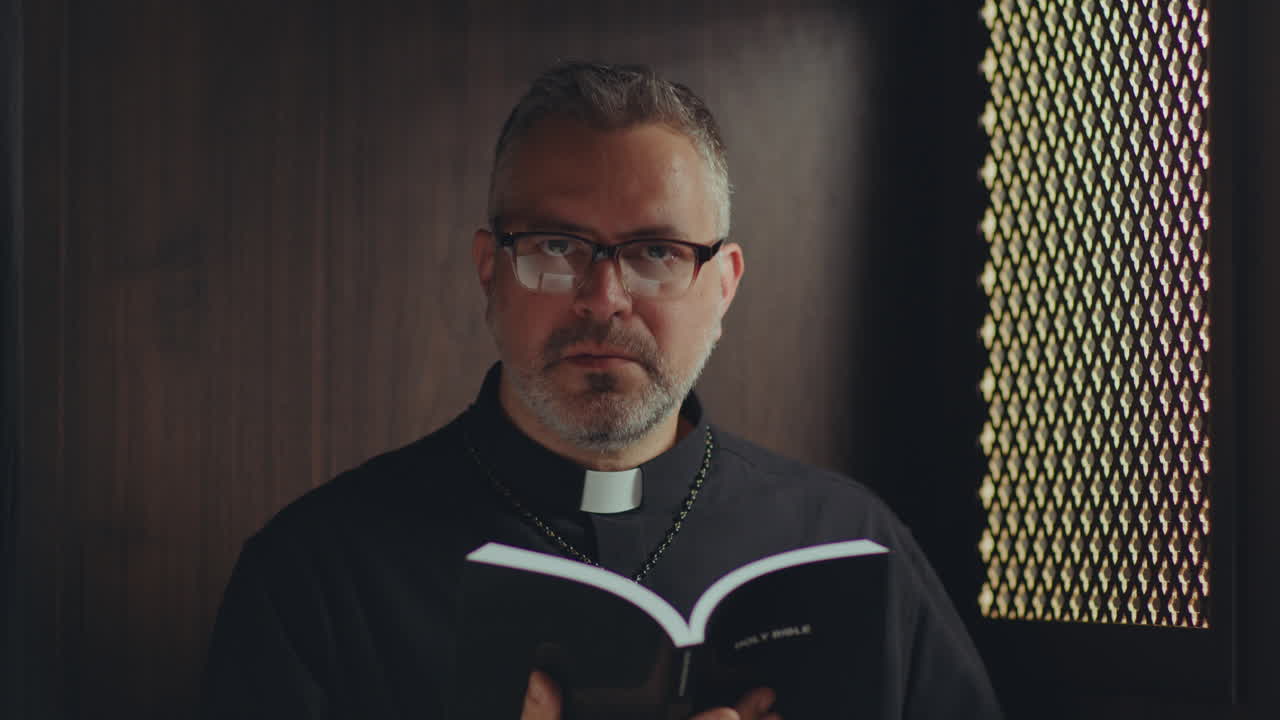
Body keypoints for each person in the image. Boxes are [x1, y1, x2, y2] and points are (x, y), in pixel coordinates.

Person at [202, 61, 1003, 719]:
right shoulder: (317, 574)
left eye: (656, 252)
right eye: (557, 246)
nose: (603, 297)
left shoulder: (854, 547)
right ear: (491, 272)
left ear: (722, 287)